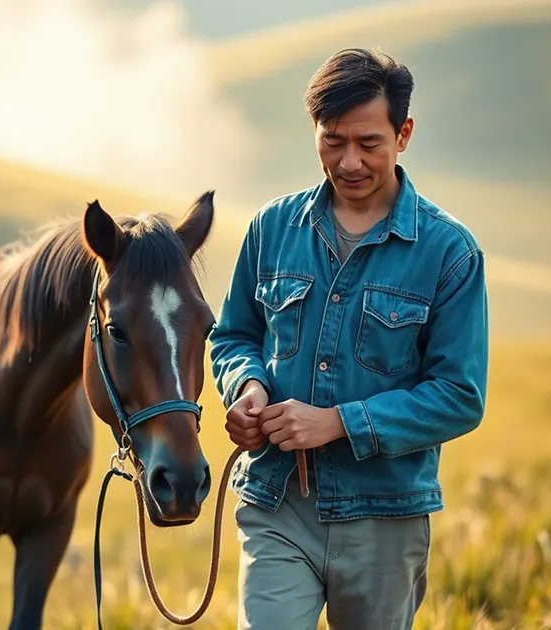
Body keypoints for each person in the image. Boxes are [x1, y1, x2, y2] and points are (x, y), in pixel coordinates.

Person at [208, 47, 489, 629]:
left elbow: (460, 396)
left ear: (403, 134)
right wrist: (247, 388)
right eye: (333, 141)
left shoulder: (449, 252)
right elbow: (234, 335)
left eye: (369, 143)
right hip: (276, 503)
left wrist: (338, 423)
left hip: (386, 518)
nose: (350, 161)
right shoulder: (271, 228)